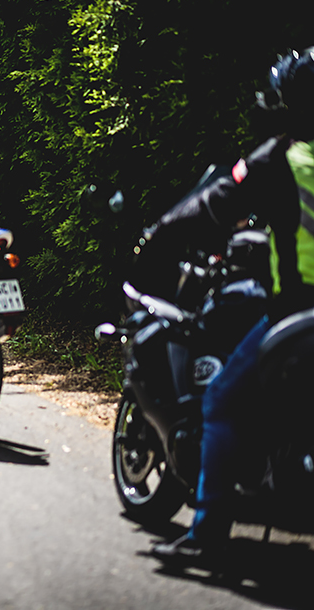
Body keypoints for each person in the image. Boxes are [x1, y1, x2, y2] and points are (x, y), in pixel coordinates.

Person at [134, 48, 314, 561]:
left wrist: (156, 238)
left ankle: (207, 536)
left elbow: (210, 206)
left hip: (297, 314)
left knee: (221, 402)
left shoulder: (279, 158)